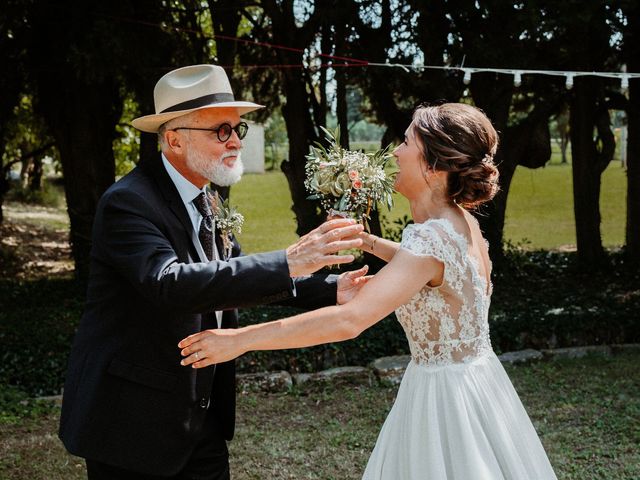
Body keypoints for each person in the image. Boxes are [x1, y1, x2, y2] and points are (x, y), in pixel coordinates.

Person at [179, 103, 558, 479]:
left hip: (445, 400)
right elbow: (434, 271)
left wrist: (239, 339)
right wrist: (367, 241)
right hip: (479, 383)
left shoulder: (430, 240)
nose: (395, 151)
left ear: (433, 166)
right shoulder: (461, 225)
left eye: (407, 142)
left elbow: (349, 320)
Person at [58, 64, 369, 480]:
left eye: (238, 129)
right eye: (221, 130)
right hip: (130, 419)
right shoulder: (128, 203)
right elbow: (169, 283)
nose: (236, 142)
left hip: (197, 415)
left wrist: (332, 289)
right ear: (174, 140)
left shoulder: (208, 197)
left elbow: (232, 278)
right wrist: (288, 258)